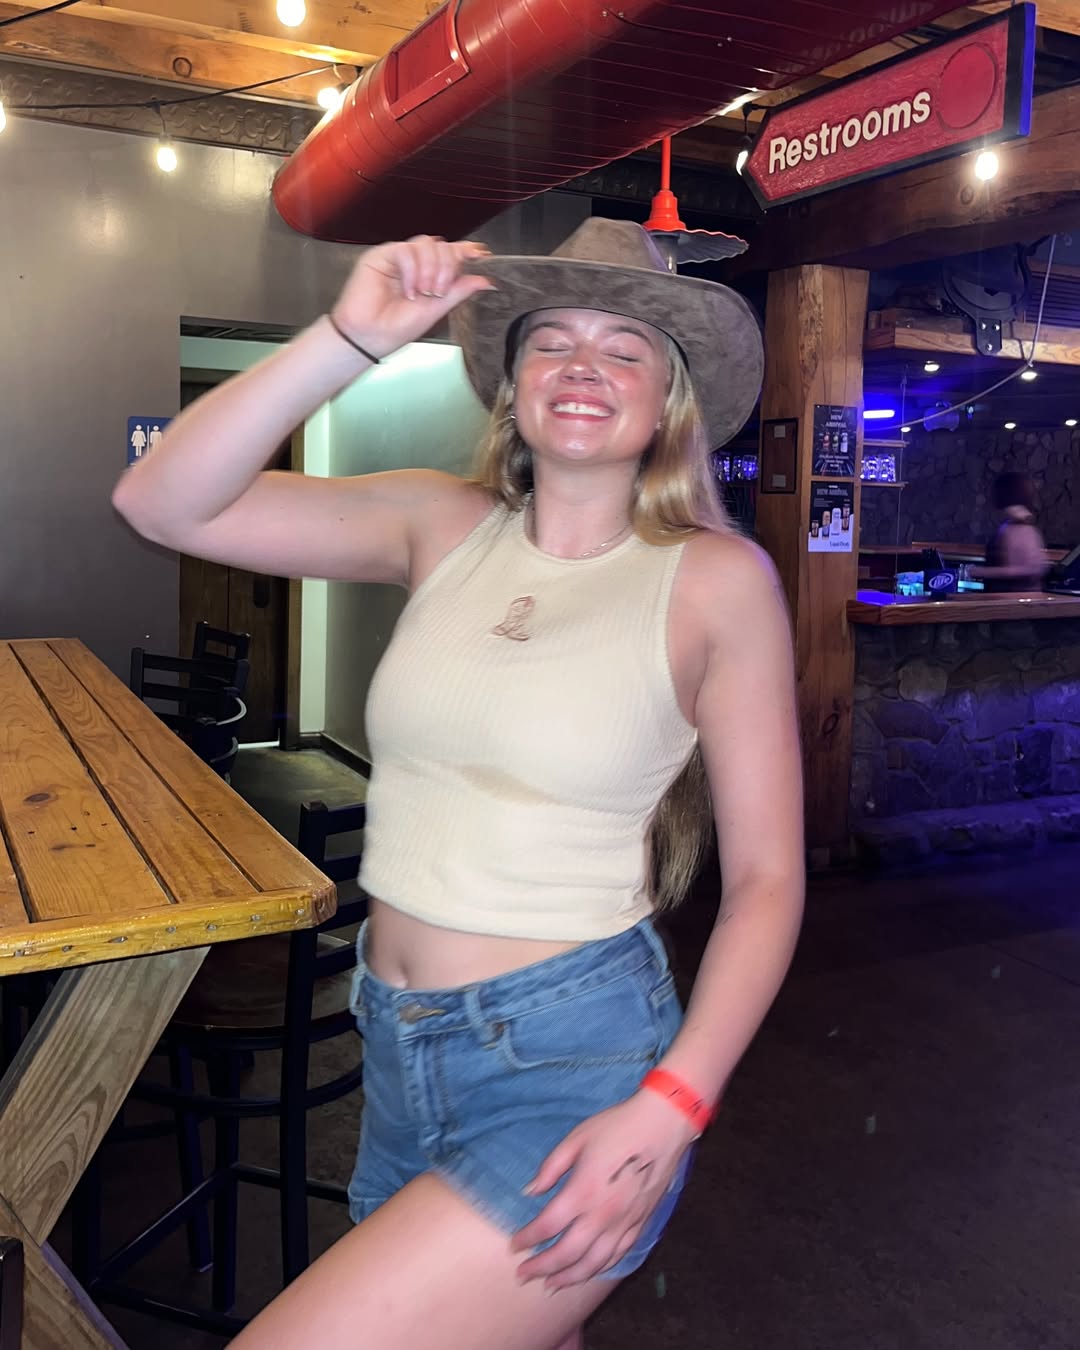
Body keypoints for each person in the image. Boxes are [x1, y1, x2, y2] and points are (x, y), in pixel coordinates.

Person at [112, 219, 805, 1350]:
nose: (582, 364)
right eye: (552, 341)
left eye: (624, 348)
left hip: (572, 1060)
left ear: (668, 400)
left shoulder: (716, 581)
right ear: (513, 385)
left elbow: (769, 880)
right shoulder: (441, 523)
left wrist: (675, 1105)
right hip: (393, 1044)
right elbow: (160, 501)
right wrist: (350, 335)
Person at [969, 470, 1049, 592]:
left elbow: (1031, 569)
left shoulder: (1021, 528)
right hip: (1010, 597)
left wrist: (981, 572)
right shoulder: (1017, 524)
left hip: (1014, 599)